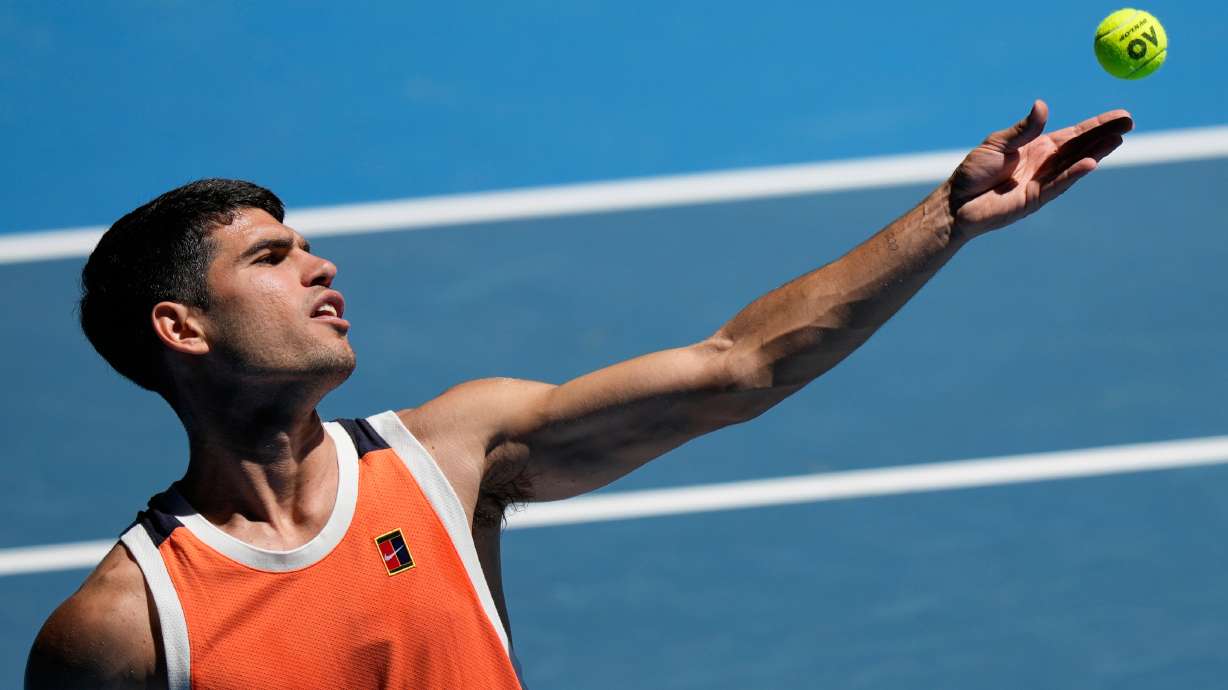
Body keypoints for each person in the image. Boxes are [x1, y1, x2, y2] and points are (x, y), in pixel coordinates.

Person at [25, 100, 1132, 689]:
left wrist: (945, 219)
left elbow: (740, 367)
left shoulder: (451, 455)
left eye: (306, 245)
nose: (321, 267)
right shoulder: (122, 631)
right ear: (182, 328)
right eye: (271, 258)